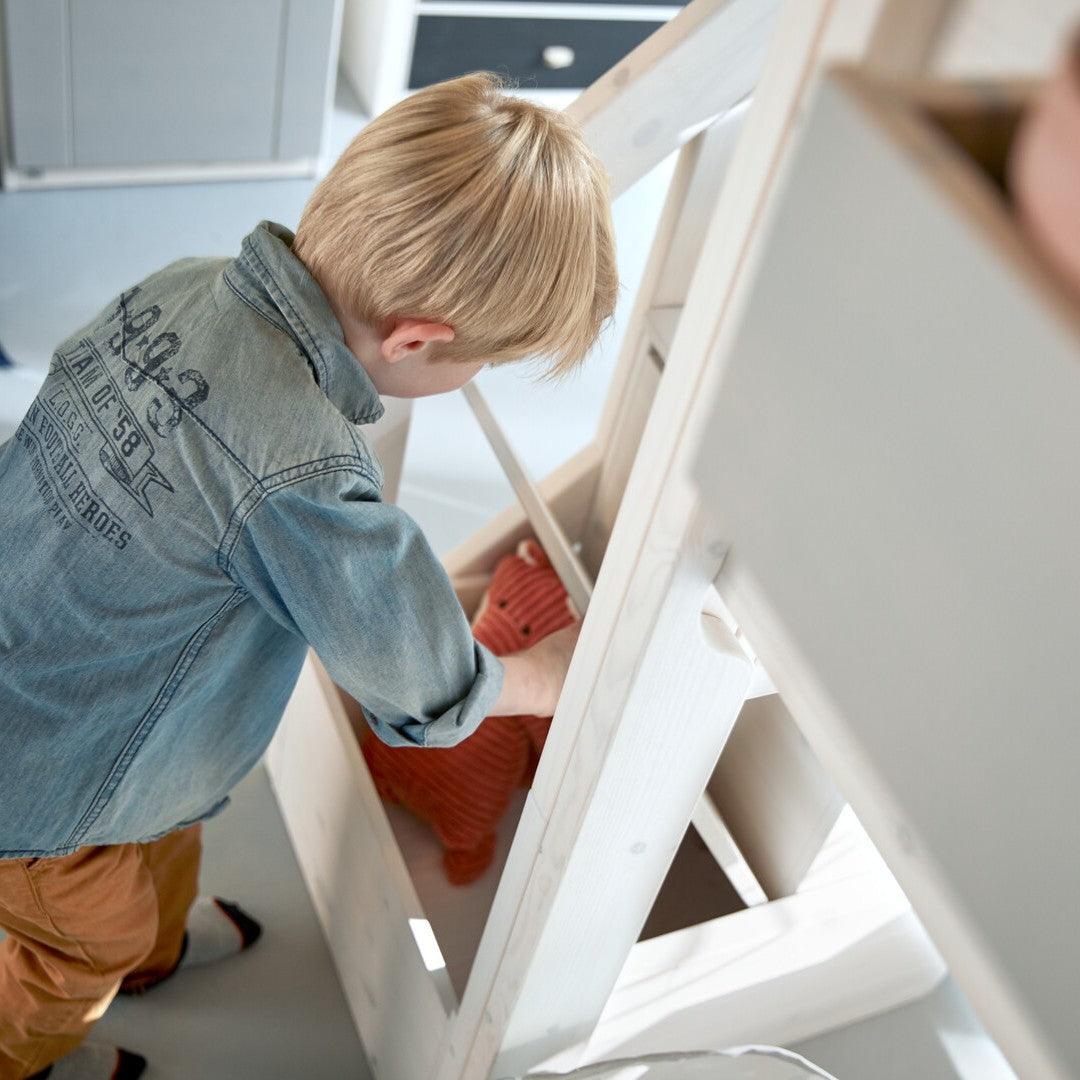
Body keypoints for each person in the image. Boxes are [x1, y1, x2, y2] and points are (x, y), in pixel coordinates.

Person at [0, 71, 617, 1080]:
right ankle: (26, 1044)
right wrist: (547, 671)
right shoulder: (310, 482)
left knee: (168, 825)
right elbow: (421, 687)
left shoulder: (183, 284)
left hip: (90, 684)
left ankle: (152, 952)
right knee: (80, 942)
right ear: (420, 341)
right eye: (480, 365)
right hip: (42, 783)